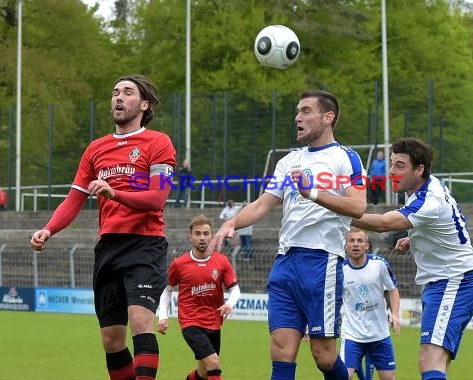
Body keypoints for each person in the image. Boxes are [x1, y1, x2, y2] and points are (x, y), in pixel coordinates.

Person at [207, 89, 367, 380]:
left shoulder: (347, 158)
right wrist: (231, 224)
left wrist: (312, 192)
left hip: (322, 263)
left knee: (325, 357)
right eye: (297, 111)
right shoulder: (288, 161)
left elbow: (358, 206)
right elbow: (262, 204)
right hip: (285, 263)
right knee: (281, 352)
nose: (298, 118)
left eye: (306, 111)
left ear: (327, 117)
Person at [30, 74, 176, 380]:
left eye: (127, 92)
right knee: (111, 340)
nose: (118, 97)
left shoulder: (158, 142)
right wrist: (49, 229)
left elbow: (157, 197)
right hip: (109, 247)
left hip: (144, 245)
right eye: (115, 92)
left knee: (140, 323)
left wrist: (115, 192)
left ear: (144, 104)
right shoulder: (96, 149)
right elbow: (74, 199)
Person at [352, 137, 473, 380]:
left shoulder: (428, 200)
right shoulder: (424, 188)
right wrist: (414, 238)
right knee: (437, 363)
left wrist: (336, 214)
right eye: (391, 164)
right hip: (445, 283)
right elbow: (448, 223)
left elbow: (382, 225)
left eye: (399, 165)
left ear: (419, 169)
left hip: (454, 282)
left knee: (428, 360)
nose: (391, 171)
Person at [157, 214, 240, 380]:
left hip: (214, 322)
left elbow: (235, 289)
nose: (202, 238)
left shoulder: (221, 262)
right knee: (214, 363)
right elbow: (167, 290)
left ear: (211, 235)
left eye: (206, 233)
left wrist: (230, 303)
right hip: (191, 323)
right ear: (190, 237)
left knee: (203, 371)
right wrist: (163, 316)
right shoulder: (179, 264)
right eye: (198, 233)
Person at [340, 228, 400, 380]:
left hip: (379, 335)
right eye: (351, 241)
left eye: (360, 241)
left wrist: (395, 314)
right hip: (352, 335)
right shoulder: (340, 270)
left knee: (389, 378)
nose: (356, 244)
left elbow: (392, 290)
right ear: (345, 245)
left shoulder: (379, 265)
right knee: (343, 376)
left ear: (367, 246)